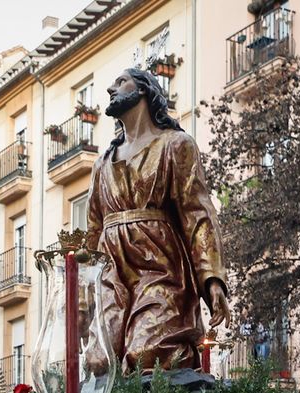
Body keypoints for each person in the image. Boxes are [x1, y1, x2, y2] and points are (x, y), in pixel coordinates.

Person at [83, 68, 227, 372]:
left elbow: (197, 213)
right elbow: (93, 232)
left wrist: (211, 278)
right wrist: (83, 296)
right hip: (111, 275)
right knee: (98, 362)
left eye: (120, 81)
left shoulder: (175, 145)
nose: (111, 88)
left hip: (159, 270)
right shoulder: (102, 164)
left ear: (145, 90)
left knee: (150, 353)